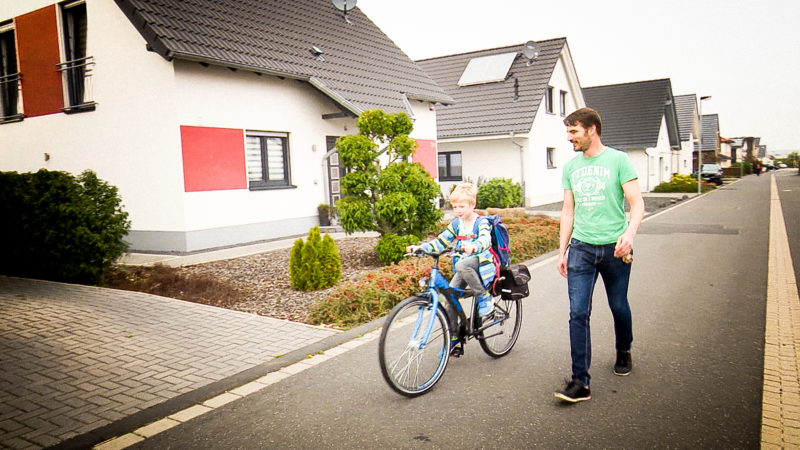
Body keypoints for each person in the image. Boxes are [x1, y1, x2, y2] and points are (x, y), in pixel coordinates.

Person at [554, 107, 645, 403]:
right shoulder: (570, 167)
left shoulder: (618, 160)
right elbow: (568, 210)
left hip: (614, 248)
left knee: (618, 305)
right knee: (578, 313)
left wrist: (629, 235)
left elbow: (636, 203)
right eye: (568, 132)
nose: (570, 138)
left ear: (592, 129)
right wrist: (562, 250)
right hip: (581, 247)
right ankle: (581, 381)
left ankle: (624, 349)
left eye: (574, 132)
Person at [406, 182, 496, 341]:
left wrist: (474, 246)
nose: (458, 210)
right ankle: (454, 337)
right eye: (455, 207)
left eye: (462, 206)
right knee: (450, 296)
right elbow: (440, 241)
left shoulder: (481, 222)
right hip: (463, 266)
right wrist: (421, 248)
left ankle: (484, 297)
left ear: (472, 204)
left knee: (462, 264)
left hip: (481, 262)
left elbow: (485, 239)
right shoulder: (456, 224)